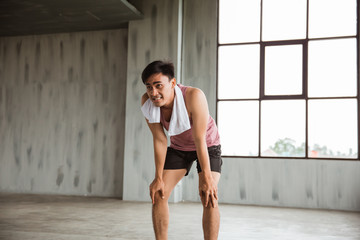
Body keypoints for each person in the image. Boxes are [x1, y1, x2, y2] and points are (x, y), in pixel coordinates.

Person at [140, 60, 223, 240]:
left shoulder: (194, 96)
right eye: (149, 87)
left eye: (158, 86)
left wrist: (207, 177)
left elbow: (199, 138)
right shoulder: (147, 102)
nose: (153, 93)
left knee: (208, 195)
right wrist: (158, 178)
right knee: (159, 194)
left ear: (172, 83)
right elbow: (160, 139)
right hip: (179, 147)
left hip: (207, 145)